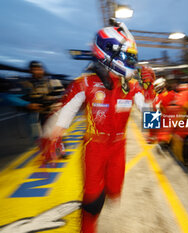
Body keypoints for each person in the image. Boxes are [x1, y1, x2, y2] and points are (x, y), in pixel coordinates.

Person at [43, 22, 147, 233]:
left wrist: (151, 93)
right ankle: (87, 227)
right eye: (128, 56)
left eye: (132, 57)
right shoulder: (86, 83)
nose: (132, 62)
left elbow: (152, 120)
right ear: (108, 53)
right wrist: (53, 135)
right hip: (95, 147)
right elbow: (67, 111)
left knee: (114, 191)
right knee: (92, 200)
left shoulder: (132, 86)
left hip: (119, 146)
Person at [22, 61, 65, 125]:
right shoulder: (25, 84)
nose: (37, 72)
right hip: (34, 115)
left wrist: (54, 100)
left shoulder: (52, 82)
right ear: (30, 71)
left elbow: (62, 96)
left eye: (39, 69)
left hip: (51, 113)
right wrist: (27, 104)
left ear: (43, 70)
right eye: (34, 70)